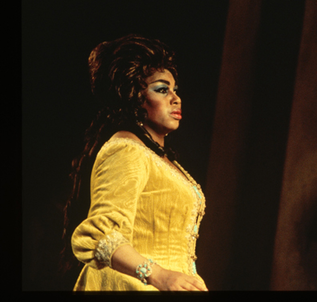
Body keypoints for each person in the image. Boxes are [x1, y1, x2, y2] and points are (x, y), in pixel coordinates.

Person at [61, 34, 208, 291]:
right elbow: (97, 235)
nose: (176, 98)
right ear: (135, 97)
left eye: (175, 89)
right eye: (162, 89)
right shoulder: (126, 149)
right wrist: (160, 275)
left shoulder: (159, 158)